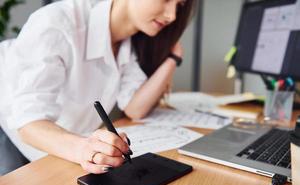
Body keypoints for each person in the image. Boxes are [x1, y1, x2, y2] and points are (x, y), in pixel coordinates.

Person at [0, 0, 195, 174]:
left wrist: (172, 59)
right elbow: (29, 123)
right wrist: (83, 148)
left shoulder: (130, 43)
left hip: (65, 141)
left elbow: (135, 108)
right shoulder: (57, 22)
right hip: (12, 128)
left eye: (179, 5)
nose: (172, 16)